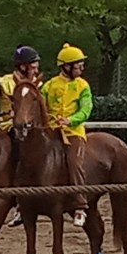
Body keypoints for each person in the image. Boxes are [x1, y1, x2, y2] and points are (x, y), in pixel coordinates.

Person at [0, 45, 43, 227]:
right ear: (23, 66)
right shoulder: (4, 82)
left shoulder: (39, 83)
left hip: (35, 130)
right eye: (33, 65)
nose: (36, 68)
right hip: (9, 128)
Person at [40, 43, 93, 227]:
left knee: (74, 162)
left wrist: (70, 120)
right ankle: (22, 204)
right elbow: (41, 107)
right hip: (50, 132)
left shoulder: (83, 86)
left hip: (73, 132)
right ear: (67, 66)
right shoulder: (49, 86)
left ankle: (80, 205)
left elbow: (86, 110)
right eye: (79, 64)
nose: (82, 68)